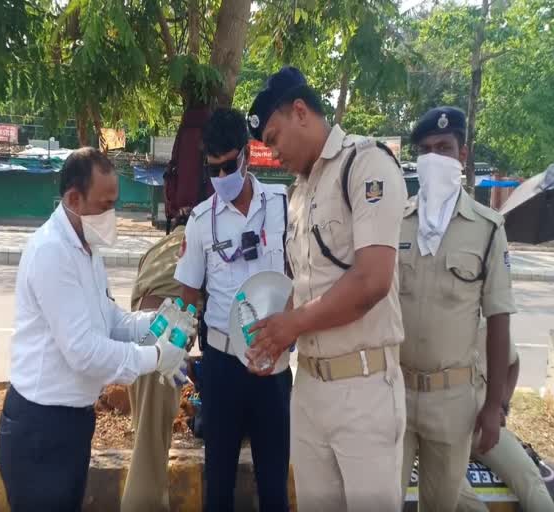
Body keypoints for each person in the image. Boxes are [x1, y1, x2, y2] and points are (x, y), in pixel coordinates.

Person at [244, 66, 407, 511]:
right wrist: (279, 336)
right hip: (311, 389)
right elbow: (307, 281)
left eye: (274, 138)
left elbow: (372, 280)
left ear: (300, 112)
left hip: (364, 386)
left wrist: (290, 324)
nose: (273, 153)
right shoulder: (300, 191)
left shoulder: (365, 163)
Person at [0, 147, 190, 511]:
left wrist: (157, 322)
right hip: (40, 428)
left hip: (71, 422)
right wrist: (155, 357)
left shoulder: (87, 250)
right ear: (73, 198)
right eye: (104, 205)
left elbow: (110, 320)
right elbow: (84, 352)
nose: (111, 216)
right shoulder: (52, 253)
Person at [397, 106, 515, 511]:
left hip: (452, 402)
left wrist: (494, 407)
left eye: (444, 148)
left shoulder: (487, 229)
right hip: (395, 390)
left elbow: (499, 320)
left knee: (441, 505)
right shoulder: (397, 222)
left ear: (463, 155)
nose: (435, 159)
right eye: (426, 150)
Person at [174, 108, 292, 511]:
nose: (222, 178)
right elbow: (187, 296)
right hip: (223, 367)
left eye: (229, 166)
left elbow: (300, 277)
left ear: (246, 154)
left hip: (274, 362)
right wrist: (169, 350)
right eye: (214, 169)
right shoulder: (200, 222)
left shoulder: (282, 205)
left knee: (274, 481)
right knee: (219, 481)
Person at [121, 217, 194, 512]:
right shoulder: (200, 244)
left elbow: (137, 298)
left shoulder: (156, 249)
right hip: (166, 343)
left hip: (141, 333)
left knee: (146, 440)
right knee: (149, 453)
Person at [457, 327, 554, 512]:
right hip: (436, 430)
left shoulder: (480, 324)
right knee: (454, 489)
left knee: (528, 476)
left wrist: (500, 406)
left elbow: (513, 361)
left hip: (480, 425)